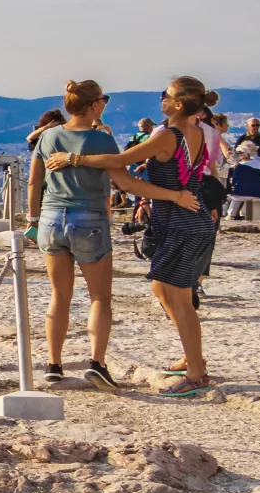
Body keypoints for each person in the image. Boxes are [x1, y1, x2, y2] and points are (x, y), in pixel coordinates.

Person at [48, 76, 219, 396]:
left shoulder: (168, 134)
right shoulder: (196, 130)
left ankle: (197, 373)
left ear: (178, 105)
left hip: (182, 221)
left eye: (165, 96)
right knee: (163, 290)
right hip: (185, 219)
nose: (161, 99)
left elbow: (120, 161)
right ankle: (193, 358)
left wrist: (73, 158)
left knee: (181, 300)